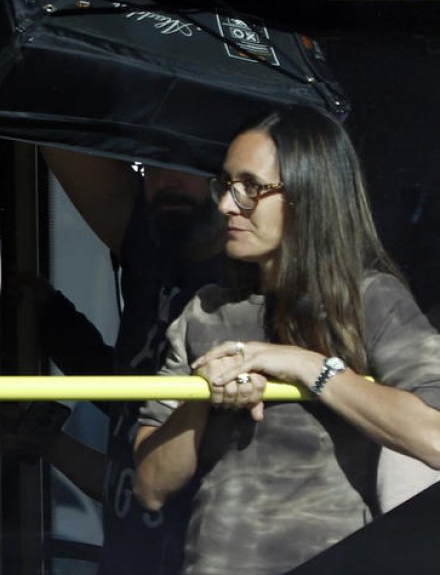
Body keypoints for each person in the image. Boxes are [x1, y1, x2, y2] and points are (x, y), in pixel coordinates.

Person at [133, 110, 440, 574]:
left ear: (307, 196)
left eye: (251, 188)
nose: (227, 205)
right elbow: (150, 487)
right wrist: (204, 396)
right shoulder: (205, 312)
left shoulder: (370, 300)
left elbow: (434, 437)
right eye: (226, 184)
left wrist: (304, 366)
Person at [23, 147, 225, 574]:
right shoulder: (151, 250)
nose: (164, 178)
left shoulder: (260, 302)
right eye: (150, 161)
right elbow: (131, 483)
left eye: (186, 158)